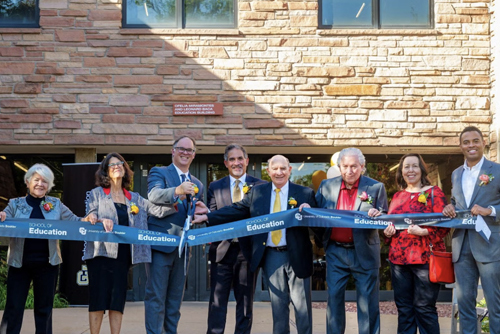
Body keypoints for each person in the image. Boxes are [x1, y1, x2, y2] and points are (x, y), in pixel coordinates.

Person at [194, 155, 317, 334]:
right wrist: (208, 216)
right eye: (275, 168)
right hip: (271, 255)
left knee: (302, 307)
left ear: (290, 170)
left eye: (283, 168)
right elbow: (237, 210)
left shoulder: (305, 193)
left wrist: (310, 212)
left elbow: (318, 226)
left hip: (298, 255)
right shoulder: (258, 192)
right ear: (268, 171)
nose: (279, 172)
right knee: (278, 307)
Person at [83, 153, 177, 334]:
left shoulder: (134, 198)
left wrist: (178, 202)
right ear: (105, 171)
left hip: (123, 256)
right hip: (100, 254)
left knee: (117, 300)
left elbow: (156, 210)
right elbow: (91, 214)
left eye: (120, 163)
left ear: (125, 169)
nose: (117, 166)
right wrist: (97, 218)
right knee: (98, 298)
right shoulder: (97, 194)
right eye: (112, 165)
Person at [0, 163, 93, 334]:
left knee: (44, 310)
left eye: (45, 181)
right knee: (13, 308)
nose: (40, 184)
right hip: (19, 263)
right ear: (28, 182)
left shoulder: (55, 204)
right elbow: (4, 219)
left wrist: (90, 219)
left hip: (48, 264)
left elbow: (75, 221)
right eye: (36, 180)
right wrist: (2, 216)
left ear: (48, 186)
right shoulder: (14, 204)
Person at [315, 147, 388, 334]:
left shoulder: (375, 187)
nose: (350, 171)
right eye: (345, 166)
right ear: (339, 167)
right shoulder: (326, 186)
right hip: (335, 252)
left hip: (364, 251)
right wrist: (306, 206)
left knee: (368, 304)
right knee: (334, 301)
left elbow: (386, 215)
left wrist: (378, 215)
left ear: (362, 167)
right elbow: (315, 213)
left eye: (354, 166)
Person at [381, 153, 449, 334]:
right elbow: (391, 227)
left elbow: (445, 226)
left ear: (421, 169)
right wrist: (388, 232)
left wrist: (424, 231)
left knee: (424, 308)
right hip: (398, 262)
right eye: (406, 167)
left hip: (425, 260)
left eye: (414, 166)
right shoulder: (397, 196)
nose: (410, 170)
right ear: (401, 172)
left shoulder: (434, 193)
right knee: (404, 310)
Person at [443, 126, 500, 334]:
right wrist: (449, 207)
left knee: (496, 306)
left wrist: (489, 210)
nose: (471, 145)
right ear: (461, 147)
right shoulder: (456, 174)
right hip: (461, 246)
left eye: (475, 141)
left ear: (484, 143)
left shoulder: (497, 170)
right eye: (466, 142)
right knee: (465, 305)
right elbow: (456, 203)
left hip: (489, 246)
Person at [145, 136, 204, 334]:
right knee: (156, 297)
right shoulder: (159, 172)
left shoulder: (198, 184)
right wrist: (177, 191)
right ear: (173, 151)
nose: (185, 153)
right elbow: (153, 195)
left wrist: (201, 214)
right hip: (160, 245)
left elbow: (193, 211)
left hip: (183, 249)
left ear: (194, 155)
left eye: (190, 150)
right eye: (181, 149)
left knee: (174, 300)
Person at [206, 144, 265, 334]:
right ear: (226, 163)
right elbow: (212, 219)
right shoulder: (215, 186)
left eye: (240, 158)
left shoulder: (261, 186)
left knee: (246, 304)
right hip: (222, 251)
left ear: (247, 161)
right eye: (232, 159)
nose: (236, 162)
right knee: (217, 303)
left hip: (247, 252)